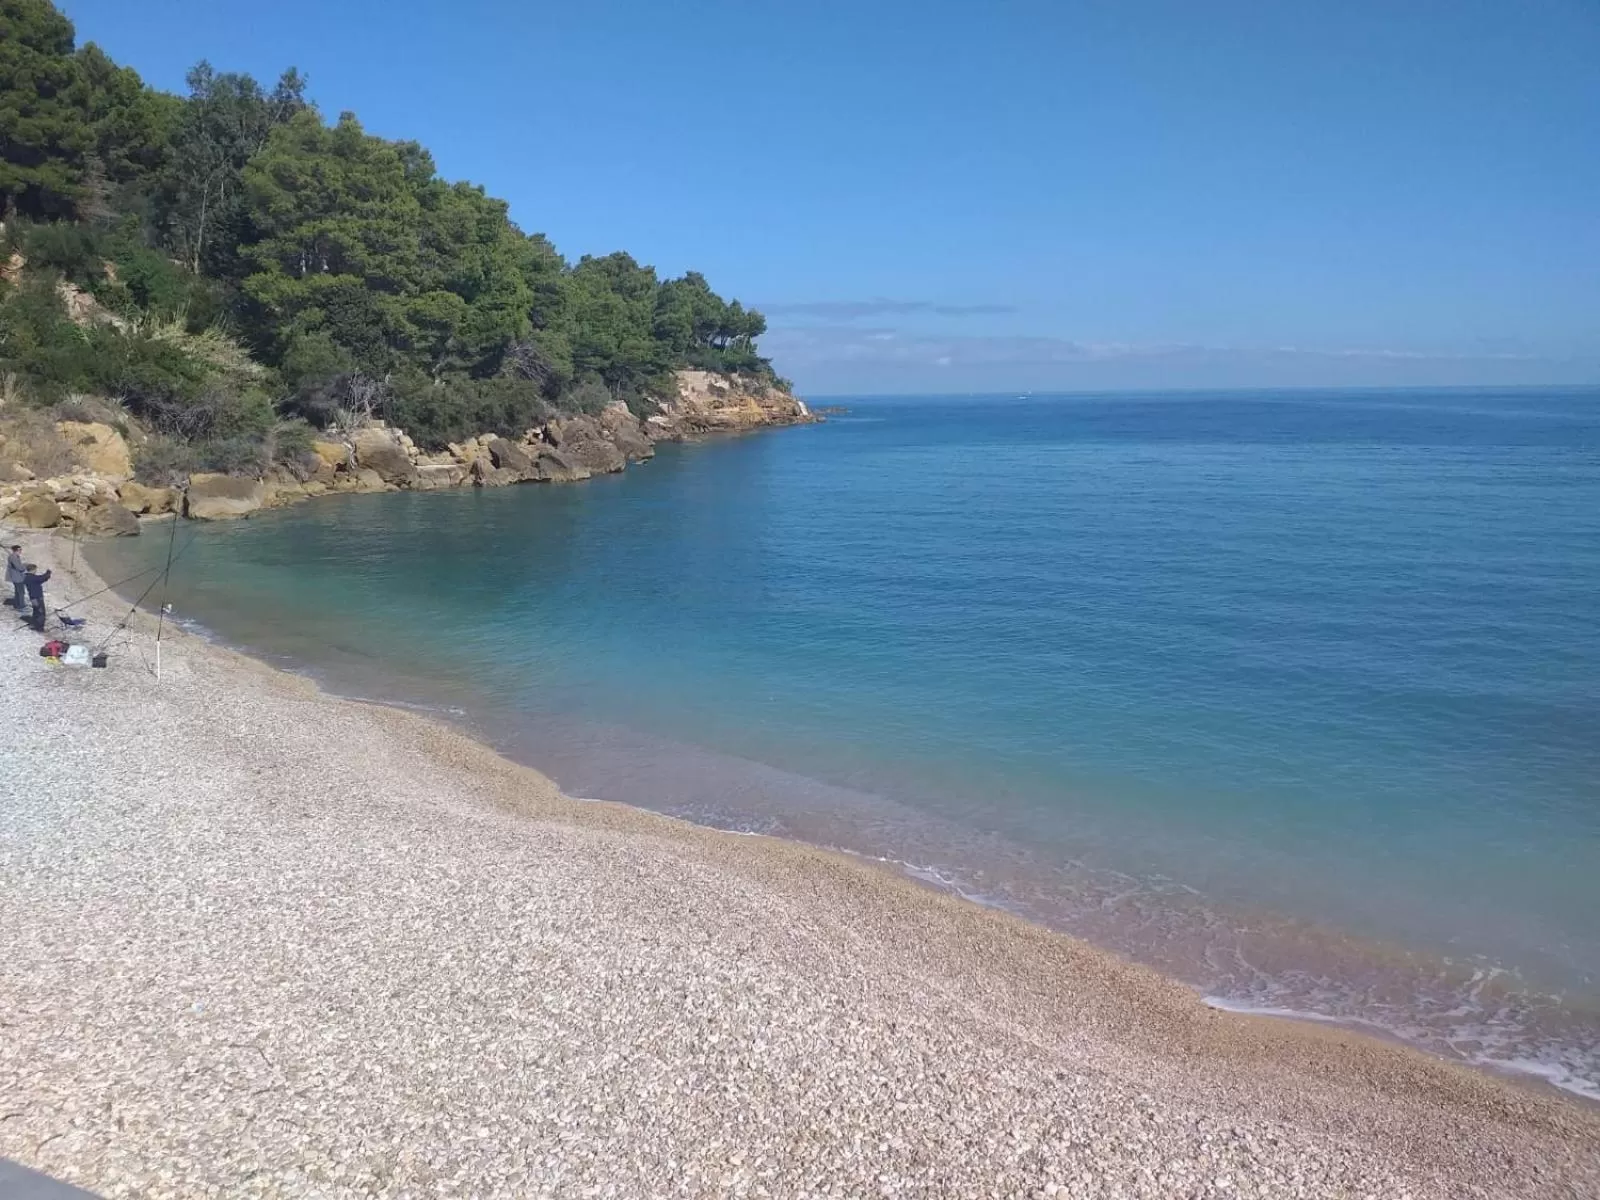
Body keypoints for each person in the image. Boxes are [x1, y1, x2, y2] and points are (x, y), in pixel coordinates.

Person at [22, 563, 51, 632]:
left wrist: (47, 575)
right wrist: (48, 572)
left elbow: (41, 579)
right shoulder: (32, 578)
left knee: (36, 612)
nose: (36, 571)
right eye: (35, 570)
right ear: (32, 570)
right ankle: (40, 628)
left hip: (33, 598)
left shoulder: (27, 577)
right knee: (41, 613)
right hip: (37, 598)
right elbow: (43, 578)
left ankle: (35, 625)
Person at [4, 544, 24, 612]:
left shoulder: (14, 556)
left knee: (18, 591)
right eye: (20, 549)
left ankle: (17, 604)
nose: (21, 551)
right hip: (17, 577)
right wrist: (25, 567)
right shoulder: (13, 557)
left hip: (16, 576)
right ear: (16, 550)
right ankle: (21, 606)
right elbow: (19, 568)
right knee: (21, 592)